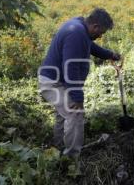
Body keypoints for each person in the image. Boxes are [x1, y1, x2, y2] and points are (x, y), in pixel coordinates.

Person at [38, 8, 121, 160]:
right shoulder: (76, 33)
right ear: (95, 26)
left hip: (58, 81)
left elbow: (91, 46)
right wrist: (77, 97)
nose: (101, 36)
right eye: (101, 32)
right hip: (53, 83)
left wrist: (110, 55)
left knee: (63, 115)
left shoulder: (80, 27)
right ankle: (71, 159)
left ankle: (58, 148)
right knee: (75, 113)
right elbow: (70, 66)